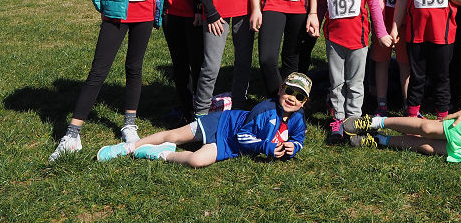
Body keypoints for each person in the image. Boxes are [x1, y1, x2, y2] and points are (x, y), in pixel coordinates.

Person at [50, 0, 163, 162]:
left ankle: (129, 125)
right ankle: (72, 134)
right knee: (98, 71)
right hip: (116, 17)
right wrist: (105, 6)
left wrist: (157, 10)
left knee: (134, 68)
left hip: (144, 16)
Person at [96, 72, 312, 167]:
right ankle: (128, 147)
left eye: (299, 96)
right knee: (174, 135)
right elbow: (243, 135)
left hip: (230, 146)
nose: (292, 98)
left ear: (304, 103)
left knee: (196, 161)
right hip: (223, 124)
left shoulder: (298, 118)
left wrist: (294, 147)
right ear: (280, 89)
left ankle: (159, 153)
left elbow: (299, 138)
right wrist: (266, 147)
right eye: (289, 91)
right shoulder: (264, 110)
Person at [309, 0, 388, 142]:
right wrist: (316, 23)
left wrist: (381, 33)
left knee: (355, 82)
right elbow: (322, 5)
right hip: (334, 40)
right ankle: (338, 118)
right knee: (336, 82)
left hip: (359, 40)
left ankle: (353, 120)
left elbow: (374, 7)